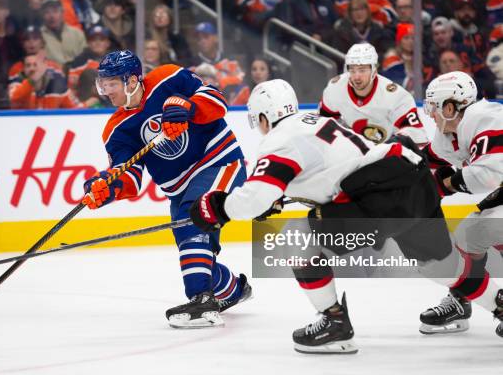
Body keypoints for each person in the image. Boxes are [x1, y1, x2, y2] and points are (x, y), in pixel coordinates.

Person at [188, 78, 500, 354]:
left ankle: (334, 324)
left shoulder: (278, 140)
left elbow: (255, 198)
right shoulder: (316, 123)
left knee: (295, 237)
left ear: (264, 117)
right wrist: (278, 196)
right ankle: (499, 302)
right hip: (412, 177)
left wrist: (217, 207)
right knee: (440, 266)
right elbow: (330, 170)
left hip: (378, 199)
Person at [82, 50, 251, 328]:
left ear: (132, 80)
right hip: (179, 189)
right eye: (104, 83)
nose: (107, 90)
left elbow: (217, 101)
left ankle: (201, 299)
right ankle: (233, 289)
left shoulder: (168, 78)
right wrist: (107, 187)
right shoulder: (117, 129)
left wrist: (188, 108)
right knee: (191, 244)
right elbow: (130, 176)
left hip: (219, 163)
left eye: (113, 83)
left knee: (192, 219)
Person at [419, 71, 503, 337]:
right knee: (470, 236)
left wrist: (446, 185)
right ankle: (460, 298)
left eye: (433, 106)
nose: (430, 113)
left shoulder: (486, 118)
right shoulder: (454, 130)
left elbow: (489, 175)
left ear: (450, 106)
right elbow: (427, 161)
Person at [319, 43, 427, 145]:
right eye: (352, 70)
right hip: (353, 154)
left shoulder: (395, 96)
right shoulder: (336, 88)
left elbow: (417, 136)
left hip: (388, 156)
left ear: (374, 70)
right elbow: (321, 125)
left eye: (362, 70)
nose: (356, 77)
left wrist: (392, 147)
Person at [9, 53, 79, 109]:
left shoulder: (58, 86)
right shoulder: (19, 83)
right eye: (28, 65)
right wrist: (31, 82)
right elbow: (12, 101)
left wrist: (90, 100)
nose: (32, 69)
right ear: (24, 69)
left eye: (35, 65)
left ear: (44, 67)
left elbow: (78, 110)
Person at [41, 0, 87, 65]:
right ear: (42, 16)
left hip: (77, 72)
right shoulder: (39, 36)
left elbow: (86, 58)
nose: (52, 16)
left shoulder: (77, 33)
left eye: (55, 11)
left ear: (62, 13)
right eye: (47, 12)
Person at [67, 24, 114, 89]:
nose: (98, 43)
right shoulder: (79, 61)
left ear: (108, 43)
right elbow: (72, 85)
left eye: (101, 40)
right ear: (88, 43)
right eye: (94, 40)